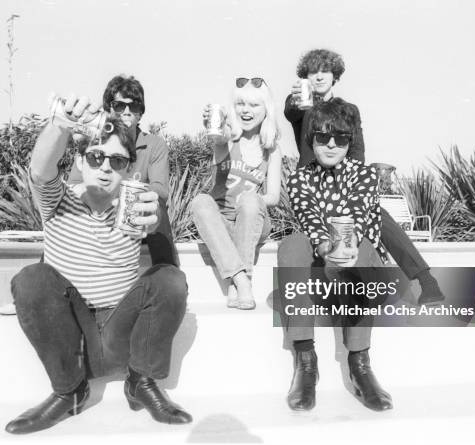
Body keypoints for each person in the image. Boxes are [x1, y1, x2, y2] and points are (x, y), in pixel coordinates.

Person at [5, 95, 192, 435]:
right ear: (79, 159)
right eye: (96, 156)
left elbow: (157, 241)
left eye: (117, 161)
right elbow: (41, 168)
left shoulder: (134, 207)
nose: (106, 167)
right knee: (31, 279)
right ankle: (69, 391)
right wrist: (60, 125)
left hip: (122, 333)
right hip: (74, 338)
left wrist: (156, 221)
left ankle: (141, 382)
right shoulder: (58, 198)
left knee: (171, 280)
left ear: (128, 169)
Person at [284, 48, 444, 306]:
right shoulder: (303, 106)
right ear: (306, 77)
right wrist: (297, 100)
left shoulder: (349, 110)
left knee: (377, 214)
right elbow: (292, 113)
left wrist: (352, 184)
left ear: (335, 75)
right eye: (313, 72)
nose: (319, 76)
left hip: (345, 181)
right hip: (312, 187)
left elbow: (357, 150)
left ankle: (426, 280)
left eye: (325, 70)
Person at [278, 98, 394, 412]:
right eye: (322, 137)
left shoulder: (365, 175)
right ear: (311, 138)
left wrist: (345, 249)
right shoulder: (300, 178)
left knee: (363, 247)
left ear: (349, 141)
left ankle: (360, 363)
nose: (331, 145)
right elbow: (310, 218)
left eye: (340, 138)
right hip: (322, 269)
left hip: (361, 273)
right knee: (291, 245)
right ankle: (305, 361)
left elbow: (355, 217)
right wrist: (327, 250)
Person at [190, 77, 282, 310]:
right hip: (222, 223)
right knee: (201, 200)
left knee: (251, 199)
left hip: (252, 221)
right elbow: (219, 138)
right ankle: (241, 280)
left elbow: (273, 196)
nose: (246, 110)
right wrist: (216, 126)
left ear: (266, 110)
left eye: (254, 105)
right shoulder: (229, 139)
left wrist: (249, 200)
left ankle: (239, 280)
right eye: (241, 104)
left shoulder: (271, 149)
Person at [69, 74, 178, 267]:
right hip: (97, 221)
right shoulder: (95, 140)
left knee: (157, 204)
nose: (127, 111)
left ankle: (168, 272)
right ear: (109, 110)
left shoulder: (154, 145)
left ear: (140, 113)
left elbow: (161, 190)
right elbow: (74, 185)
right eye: (120, 106)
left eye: (134, 106)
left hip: (135, 222)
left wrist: (128, 196)